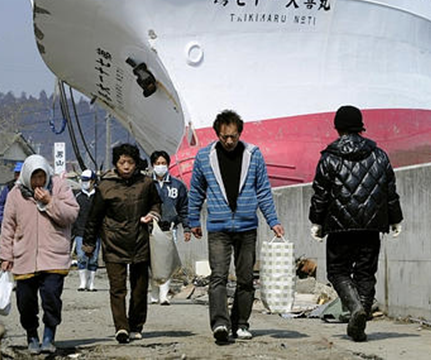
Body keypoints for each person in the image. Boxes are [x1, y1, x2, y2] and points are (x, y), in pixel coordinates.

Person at [188, 109, 285, 343]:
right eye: (224, 137)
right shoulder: (204, 157)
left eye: (233, 136)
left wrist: (273, 221)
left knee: (245, 279)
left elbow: (263, 190)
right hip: (218, 227)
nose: (229, 141)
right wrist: (193, 221)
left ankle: (241, 323)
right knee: (218, 276)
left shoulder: (253, 155)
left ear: (240, 133)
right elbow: (196, 192)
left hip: (246, 226)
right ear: (217, 134)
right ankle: (220, 324)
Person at [309, 105, 403, 342]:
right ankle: (360, 321)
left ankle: (355, 309)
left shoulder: (329, 158)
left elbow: (321, 194)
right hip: (372, 226)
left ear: (337, 127)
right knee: (365, 273)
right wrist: (396, 219)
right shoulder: (379, 155)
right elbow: (389, 190)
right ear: (361, 127)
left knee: (338, 271)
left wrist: (316, 222)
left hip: (339, 227)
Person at [0, 155, 79, 355]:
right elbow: (8, 226)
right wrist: (6, 255)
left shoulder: (59, 187)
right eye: (34, 178)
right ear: (26, 177)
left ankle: (49, 336)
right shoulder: (16, 194)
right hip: (24, 257)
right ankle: (32, 335)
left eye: (41, 177)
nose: (38, 182)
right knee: (25, 301)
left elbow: (71, 215)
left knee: (51, 297)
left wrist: (50, 201)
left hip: (54, 256)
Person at [82, 144, 162, 344]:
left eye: (130, 162)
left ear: (136, 164)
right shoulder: (105, 186)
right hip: (113, 242)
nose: (126, 166)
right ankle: (121, 327)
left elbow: (156, 203)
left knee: (139, 287)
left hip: (139, 241)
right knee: (117, 288)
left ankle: (136, 325)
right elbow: (94, 217)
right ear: (115, 164)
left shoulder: (146, 183)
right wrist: (89, 242)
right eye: (121, 162)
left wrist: (152, 215)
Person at [149, 150, 191, 305]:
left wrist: (187, 228)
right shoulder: (146, 184)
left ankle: (164, 294)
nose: (161, 166)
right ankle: (154, 291)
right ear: (153, 165)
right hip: (150, 228)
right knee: (152, 261)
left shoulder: (177, 186)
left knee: (166, 260)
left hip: (169, 227)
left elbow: (184, 209)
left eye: (163, 163)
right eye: (157, 164)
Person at [72, 169, 100, 292]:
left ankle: (91, 282)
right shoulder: (77, 197)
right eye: (83, 180)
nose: (84, 183)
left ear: (93, 181)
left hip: (96, 232)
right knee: (82, 257)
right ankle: (83, 282)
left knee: (93, 258)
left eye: (87, 180)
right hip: (80, 232)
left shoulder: (99, 196)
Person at [0, 161, 23, 228]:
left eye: (20, 173)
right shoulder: (9, 187)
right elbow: (0, 203)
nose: (18, 176)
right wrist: (1, 219)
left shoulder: (31, 187)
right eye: (16, 173)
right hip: (9, 222)